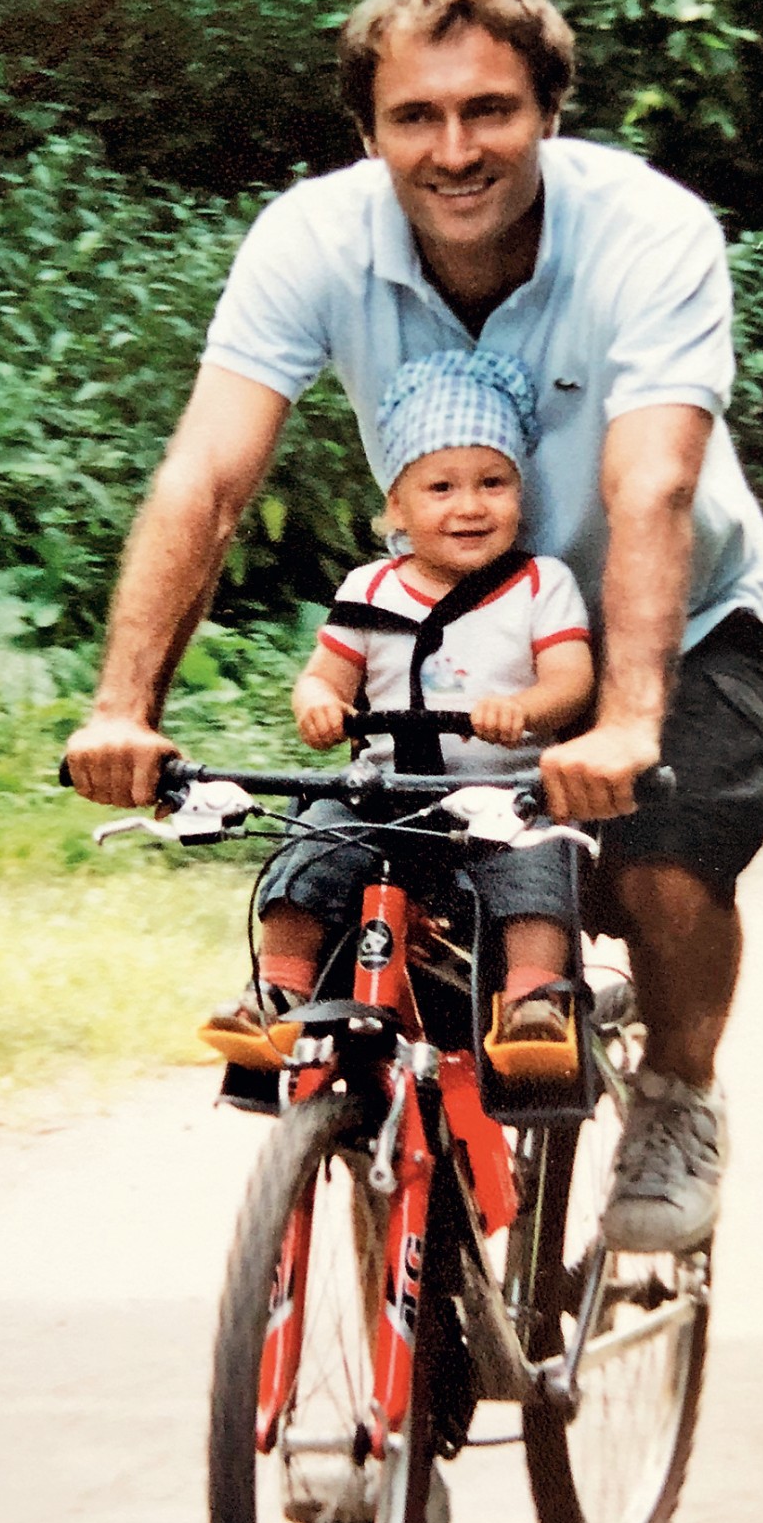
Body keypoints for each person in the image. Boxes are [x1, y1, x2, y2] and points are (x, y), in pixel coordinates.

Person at [65, 0, 763, 1257]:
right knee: (380, 871)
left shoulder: (649, 231)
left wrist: (624, 722)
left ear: (549, 111)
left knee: (662, 865)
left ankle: (678, 1096)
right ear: (370, 131)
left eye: (490, 109)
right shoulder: (312, 240)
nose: (455, 150)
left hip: (668, 612)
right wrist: (124, 709)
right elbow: (209, 475)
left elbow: (653, 481)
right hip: (453, 628)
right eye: (417, 116)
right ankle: (412, 1175)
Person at [205, 346, 595, 1054]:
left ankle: (533, 1002)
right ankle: (277, 990)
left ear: (520, 492)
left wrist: (525, 711)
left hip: (503, 792)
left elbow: (571, 680)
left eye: (493, 483)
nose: (470, 505)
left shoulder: (542, 583)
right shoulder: (369, 589)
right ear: (397, 504)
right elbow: (323, 677)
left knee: (536, 862)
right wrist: (319, 704)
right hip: (384, 793)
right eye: (441, 487)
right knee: (314, 842)